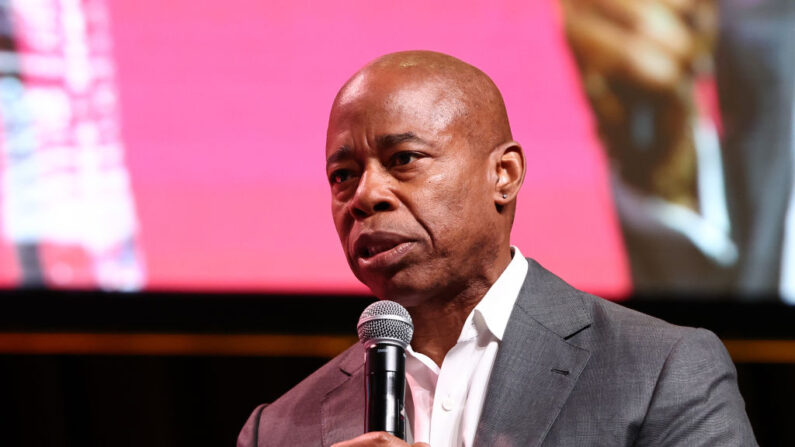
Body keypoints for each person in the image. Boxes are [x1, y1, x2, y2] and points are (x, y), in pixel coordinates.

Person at [238, 51, 756, 446]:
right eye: (342, 175)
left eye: (404, 159)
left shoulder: (662, 370)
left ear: (503, 175)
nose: (365, 195)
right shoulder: (280, 427)